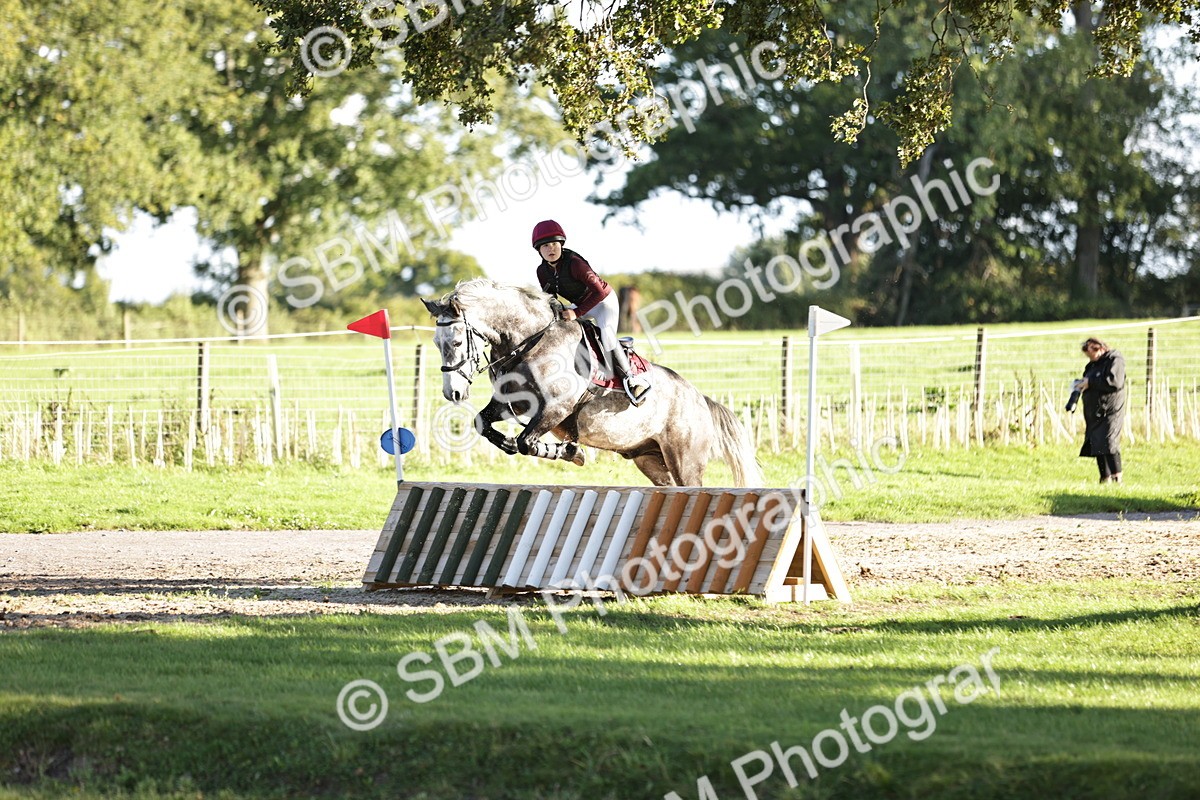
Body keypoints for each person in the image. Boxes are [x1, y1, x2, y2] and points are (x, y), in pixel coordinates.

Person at [531, 219, 652, 405]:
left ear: (561, 244)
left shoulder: (575, 264)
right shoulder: (542, 271)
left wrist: (576, 313)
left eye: (554, 244)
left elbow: (600, 292)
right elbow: (550, 298)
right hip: (579, 305)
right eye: (545, 246)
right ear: (539, 250)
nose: (551, 249)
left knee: (608, 337)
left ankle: (632, 379)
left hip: (604, 302)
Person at [1075, 337, 1127, 483]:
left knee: (1109, 441)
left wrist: (1090, 382)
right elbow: (1087, 381)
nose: (1092, 353)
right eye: (1088, 350)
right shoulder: (1091, 366)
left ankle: (1117, 478)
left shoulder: (1115, 360)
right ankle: (1105, 478)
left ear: (1102, 347)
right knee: (1096, 442)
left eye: (1095, 349)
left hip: (1111, 409)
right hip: (1094, 411)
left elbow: (1114, 382)